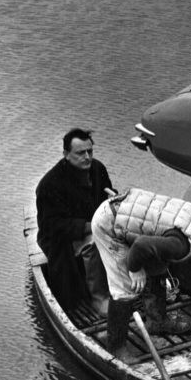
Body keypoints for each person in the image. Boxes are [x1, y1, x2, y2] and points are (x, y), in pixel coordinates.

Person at [91, 188, 191, 351]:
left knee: (158, 265)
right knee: (125, 287)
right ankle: (116, 349)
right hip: (109, 223)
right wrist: (134, 269)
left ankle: (156, 322)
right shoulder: (181, 246)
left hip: (130, 215)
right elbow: (141, 245)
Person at [36, 128, 114, 315]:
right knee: (93, 243)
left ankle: (124, 287)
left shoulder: (97, 168)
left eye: (90, 151)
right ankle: (99, 298)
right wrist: (88, 227)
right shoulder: (49, 185)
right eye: (80, 153)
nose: (87, 157)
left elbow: (106, 197)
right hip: (60, 238)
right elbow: (50, 226)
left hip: (94, 225)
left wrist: (115, 202)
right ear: (66, 154)